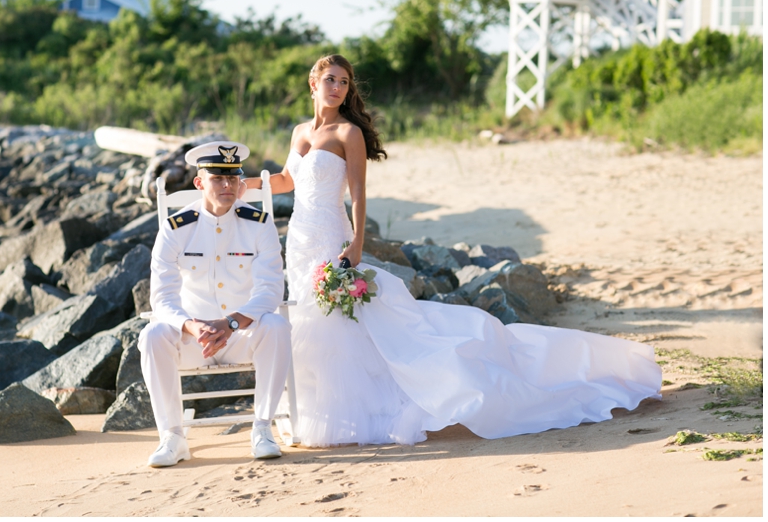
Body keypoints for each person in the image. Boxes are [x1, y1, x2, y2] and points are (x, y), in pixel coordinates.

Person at [242, 54, 663, 447]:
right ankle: (317, 408)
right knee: (310, 321)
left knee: (338, 319)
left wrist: (356, 243)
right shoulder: (300, 132)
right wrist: (246, 185)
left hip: (329, 236)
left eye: (344, 82)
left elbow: (358, 193)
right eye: (330, 80)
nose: (336, 87)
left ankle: (368, 408)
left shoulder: (348, 134)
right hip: (297, 240)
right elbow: (285, 179)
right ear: (313, 83)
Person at [140, 141, 292, 466]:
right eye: (217, 178)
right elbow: (162, 297)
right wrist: (193, 326)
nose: (227, 186)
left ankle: (262, 428)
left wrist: (232, 322)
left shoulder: (259, 223)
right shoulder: (175, 228)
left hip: (240, 335)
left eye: (233, 178)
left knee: (277, 325)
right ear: (199, 183)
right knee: (151, 335)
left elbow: (270, 290)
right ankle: (173, 437)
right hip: (194, 340)